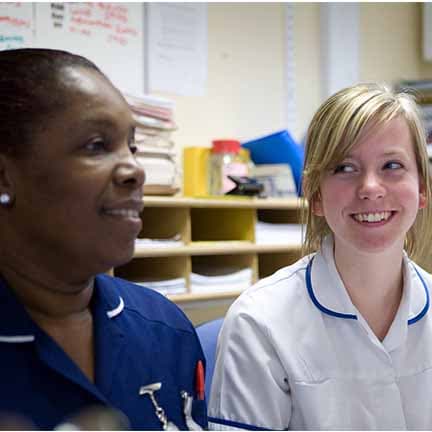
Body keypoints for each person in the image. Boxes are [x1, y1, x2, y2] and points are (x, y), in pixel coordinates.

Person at [0, 48, 207, 430]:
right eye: (96, 145)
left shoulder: (164, 328)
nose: (134, 170)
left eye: (132, 147)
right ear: (4, 176)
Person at [208, 83, 432, 430]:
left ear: (422, 190)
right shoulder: (259, 322)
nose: (370, 187)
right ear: (315, 196)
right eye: (344, 167)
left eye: (392, 165)